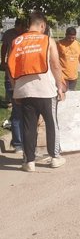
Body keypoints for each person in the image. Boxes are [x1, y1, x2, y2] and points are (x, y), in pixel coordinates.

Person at [7, 12, 66, 172]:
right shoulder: (48, 40)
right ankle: (55, 158)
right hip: (46, 91)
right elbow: (55, 65)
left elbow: (10, 68)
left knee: (28, 126)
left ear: (29, 25)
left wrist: (15, 90)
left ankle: (29, 162)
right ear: (42, 25)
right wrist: (60, 86)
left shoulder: (17, 41)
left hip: (24, 92)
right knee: (52, 123)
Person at [0, 19, 25, 153]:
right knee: (17, 112)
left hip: (23, 79)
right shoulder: (9, 34)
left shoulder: (26, 35)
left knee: (22, 112)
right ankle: (18, 143)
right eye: (21, 27)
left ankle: (23, 141)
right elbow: (4, 48)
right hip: (11, 79)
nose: (22, 30)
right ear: (17, 26)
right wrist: (3, 61)